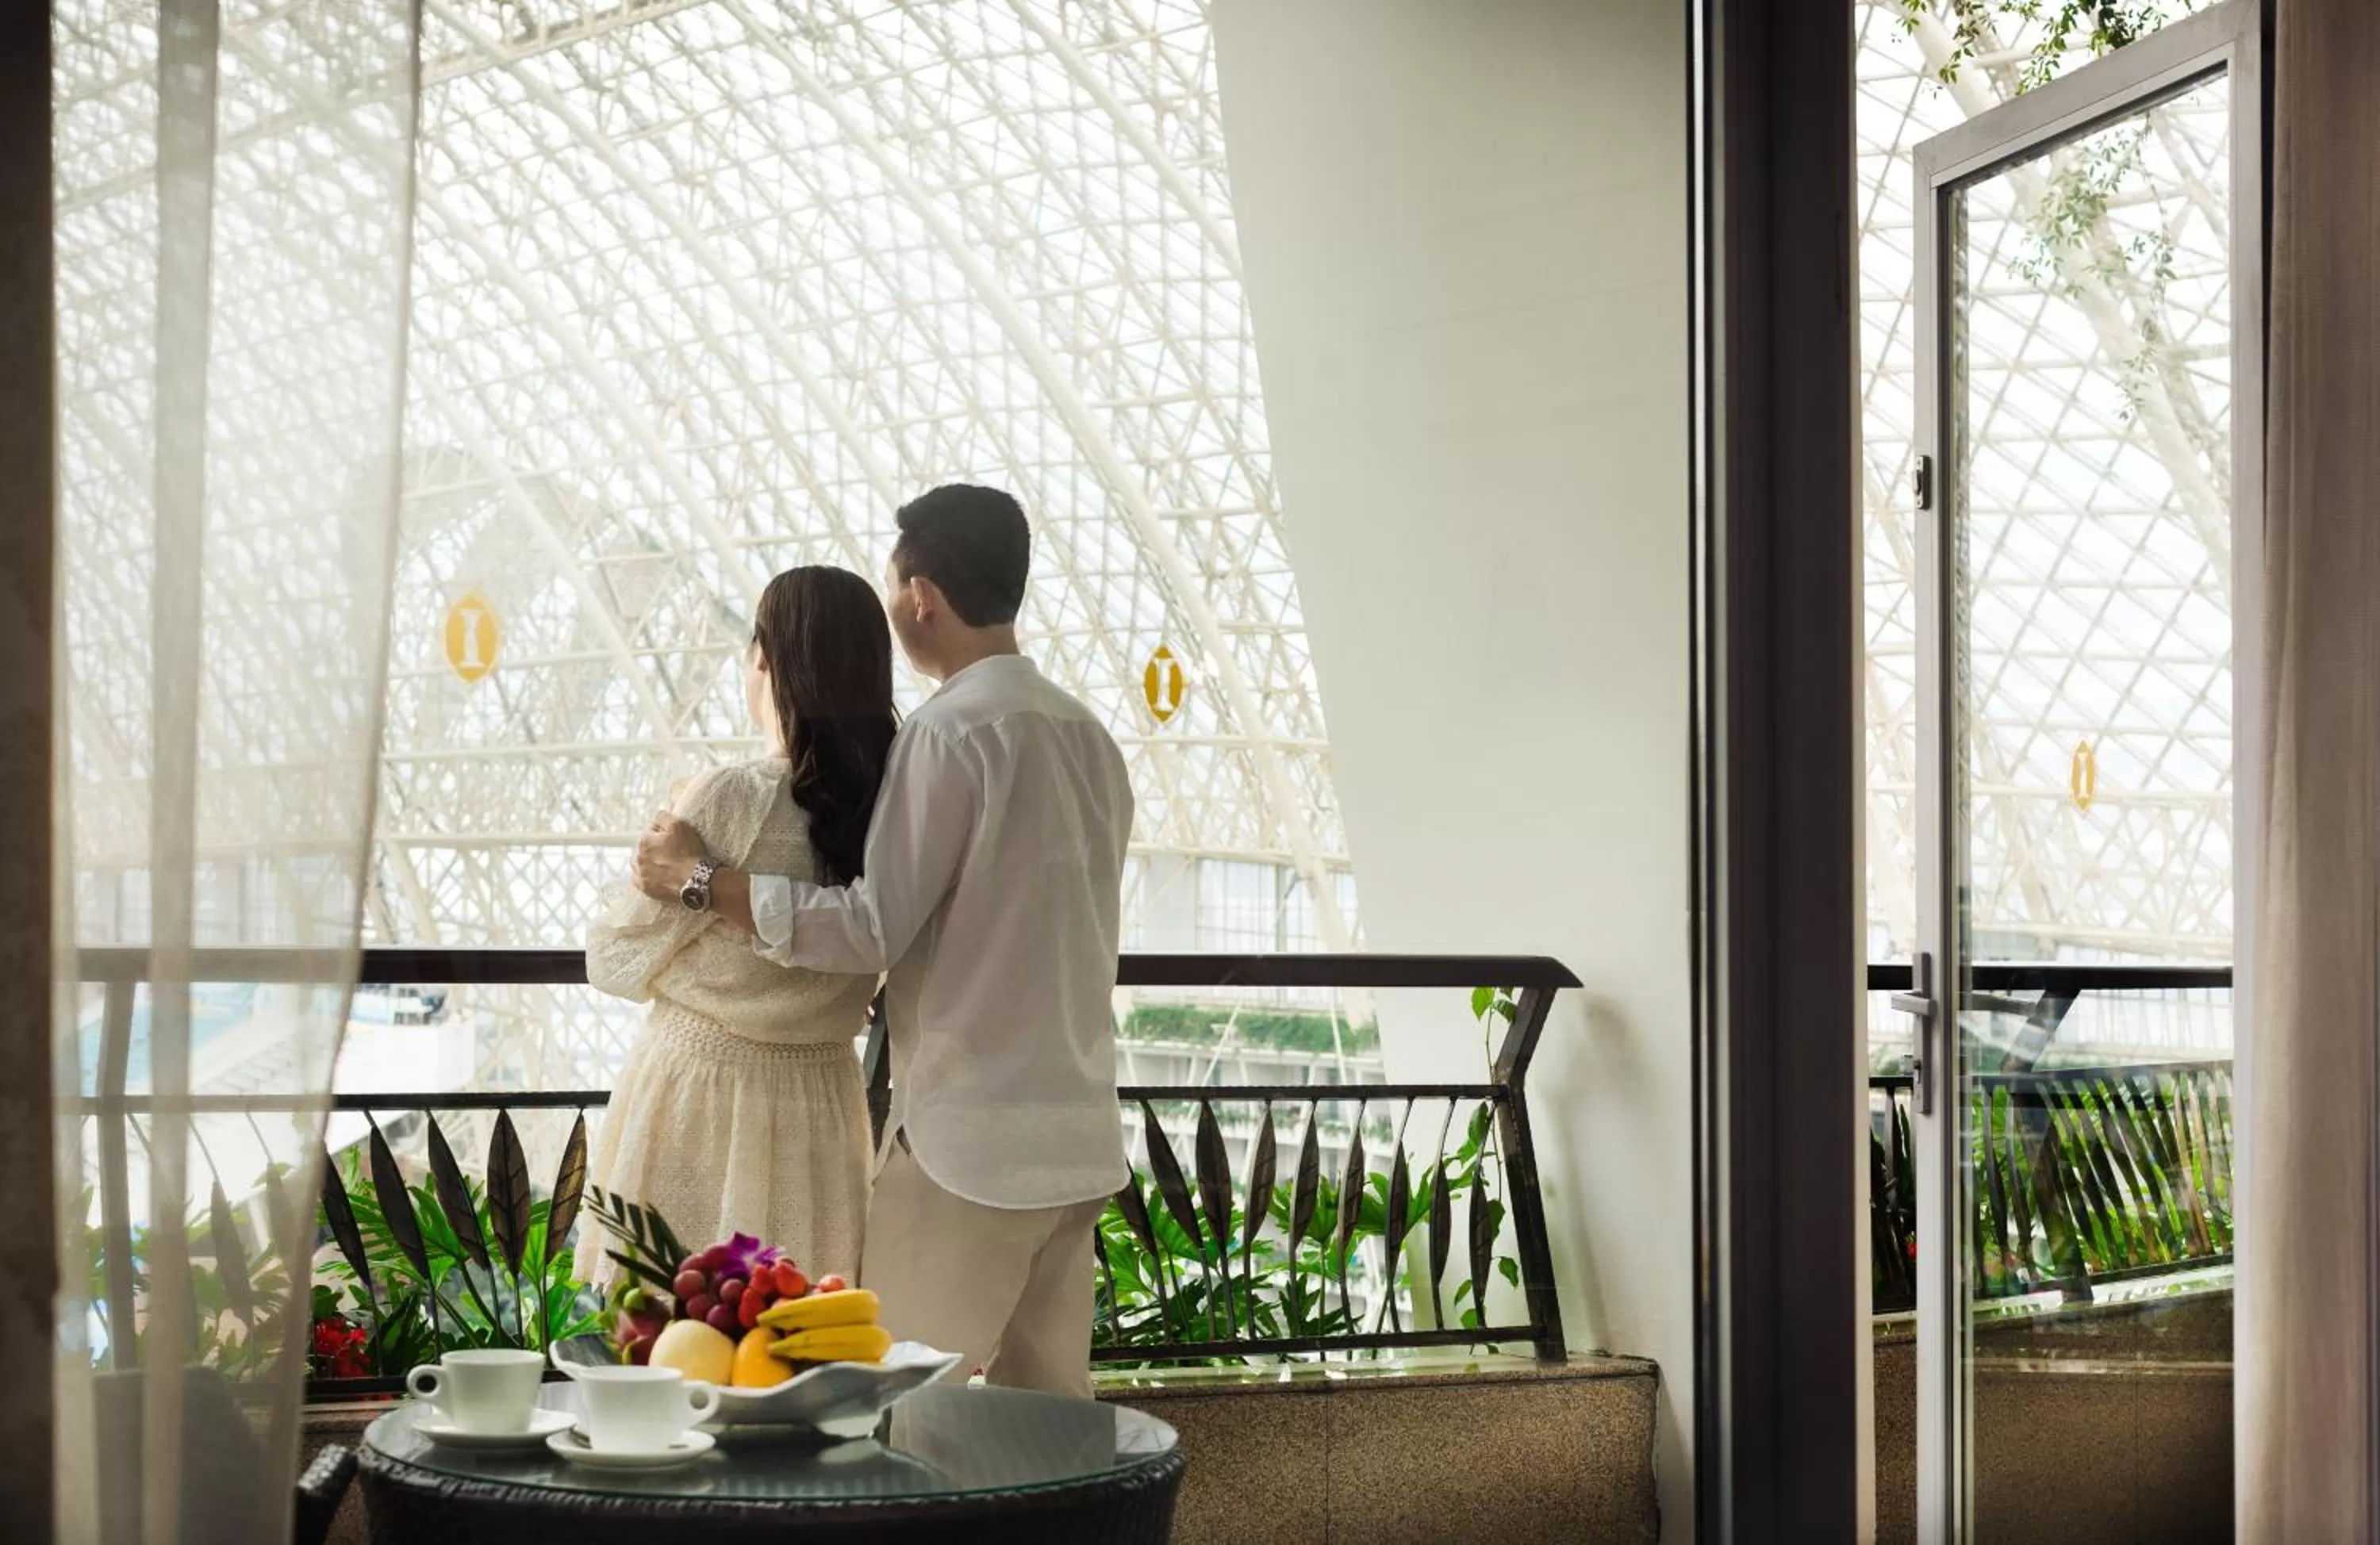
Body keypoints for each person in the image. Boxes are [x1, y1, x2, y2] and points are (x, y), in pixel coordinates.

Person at [631, 484, 1133, 1396]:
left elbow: (868, 925)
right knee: (1047, 1423)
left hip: (969, 1148)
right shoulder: (1087, 736)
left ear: (920, 598)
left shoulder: (950, 734)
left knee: (889, 1409)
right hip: (1077, 1137)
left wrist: (704, 882)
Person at [585, 565, 897, 1290]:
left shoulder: (733, 798)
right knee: (791, 1340)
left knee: (668, 1338)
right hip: (821, 1106)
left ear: (766, 658)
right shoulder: (892, 802)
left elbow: (613, 961)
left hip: (699, 1099)